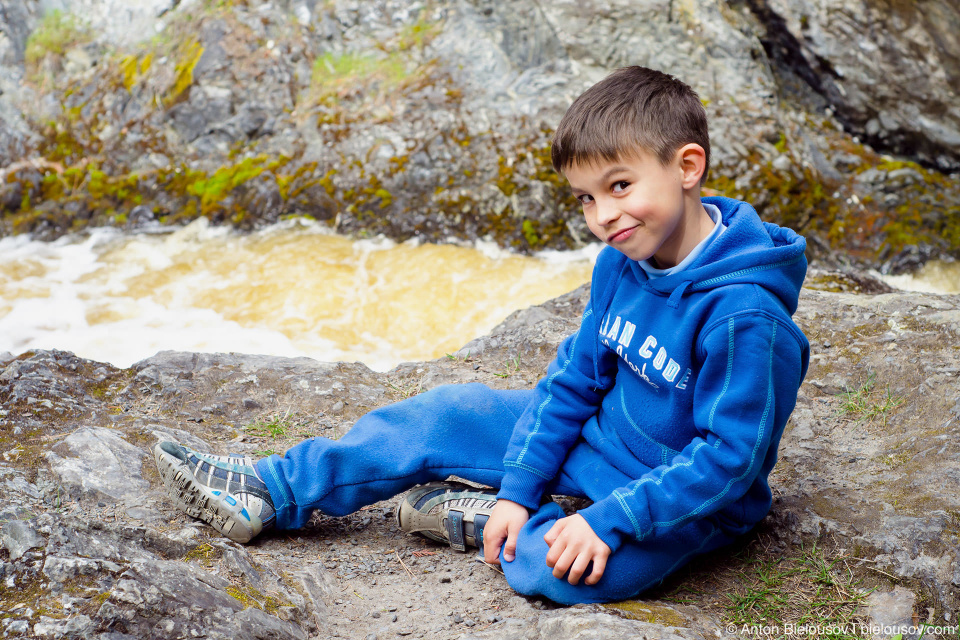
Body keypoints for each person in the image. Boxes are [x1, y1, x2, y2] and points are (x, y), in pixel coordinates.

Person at [154, 65, 809, 605]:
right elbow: (575, 381)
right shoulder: (622, 260)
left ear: (687, 166)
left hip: (686, 498)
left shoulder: (744, 317)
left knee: (559, 573)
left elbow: (730, 460)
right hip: (598, 445)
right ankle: (274, 489)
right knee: (447, 412)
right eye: (584, 198)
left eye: (619, 186)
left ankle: (478, 519)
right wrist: (523, 487)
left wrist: (605, 522)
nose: (603, 216)